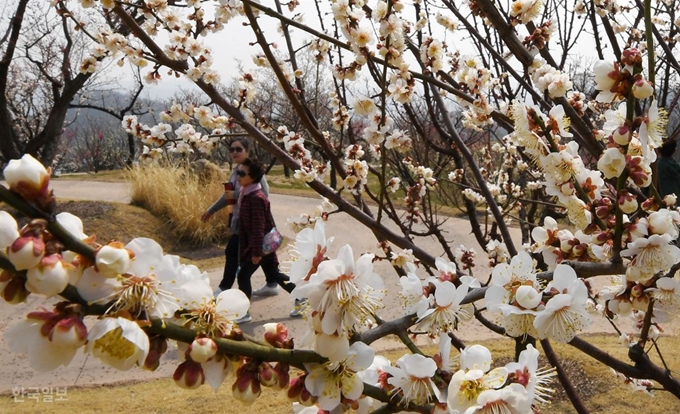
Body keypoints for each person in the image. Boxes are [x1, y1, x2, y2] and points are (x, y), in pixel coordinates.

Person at [201, 138, 279, 297]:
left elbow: (262, 194)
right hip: (241, 222)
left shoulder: (253, 172)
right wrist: (211, 210)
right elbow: (228, 197)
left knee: (233, 253)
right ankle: (272, 283)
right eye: (232, 149)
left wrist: (236, 194)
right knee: (264, 257)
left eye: (238, 149)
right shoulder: (236, 171)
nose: (234, 152)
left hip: (251, 224)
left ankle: (225, 288)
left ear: (247, 151)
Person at [234, 158, 303, 323]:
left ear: (253, 177)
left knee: (243, 275)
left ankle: (244, 312)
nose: (238, 176)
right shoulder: (247, 193)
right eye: (238, 172)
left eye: (242, 173)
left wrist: (256, 252)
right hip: (261, 245)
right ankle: (301, 297)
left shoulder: (255, 198)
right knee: (274, 274)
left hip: (259, 245)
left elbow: (258, 227)